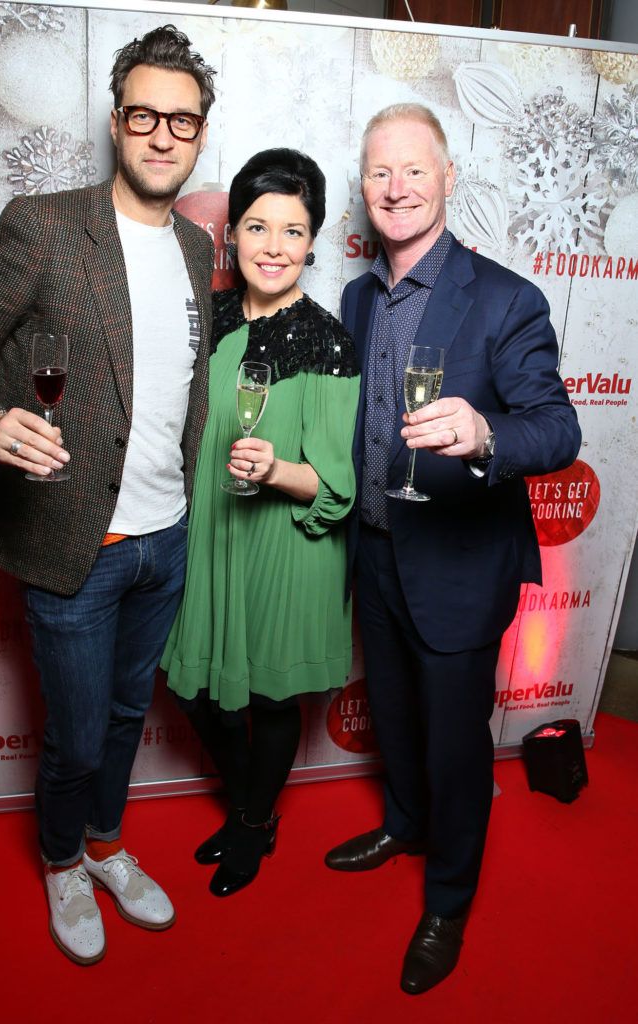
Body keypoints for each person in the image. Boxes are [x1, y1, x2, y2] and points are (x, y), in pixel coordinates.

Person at [0, 25, 216, 965]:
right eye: (144, 115)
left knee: (129, 716)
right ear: (117, 121)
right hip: (72, 541)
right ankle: (60, 859)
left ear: (201, 132)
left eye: (183, 120)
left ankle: (107, 841)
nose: (163, 136)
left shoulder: (202, 244)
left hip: (165, 540)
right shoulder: (45, 225)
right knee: (78, 734)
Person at [324, 104, 581, 994]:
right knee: (394, 716)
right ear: (364, 188)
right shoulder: (359, 297)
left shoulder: (505, 298)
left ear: (448, 179)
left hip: (460, 564)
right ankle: (404, 823)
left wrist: (484, 432)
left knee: (456, 744)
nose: (395, 189)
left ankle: (448, 898)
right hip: (379, 548)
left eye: (413, 171)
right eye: (379, 174)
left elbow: (557, 429)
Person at [162, 148, 360, 897]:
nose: (273, 246)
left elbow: (333, 482)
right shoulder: (205, 321)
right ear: (232, 237)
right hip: (213, 535)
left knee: (272, 699)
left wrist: (275, 470)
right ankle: (253, 805)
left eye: (292, 229)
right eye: (256, 226)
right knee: (196, 689)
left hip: (286, 545)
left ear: (312, 242)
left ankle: (249, 823)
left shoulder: (328, 341)